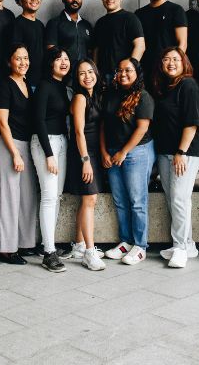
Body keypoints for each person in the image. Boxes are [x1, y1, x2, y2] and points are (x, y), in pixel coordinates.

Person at [152, 47, 199, 268]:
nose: (171, 63)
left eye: (175, 59)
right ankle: (187, 244)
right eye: (166, 59)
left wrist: (181, 152)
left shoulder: (189, 85)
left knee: (179, 199)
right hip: (166, 152)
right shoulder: (165, 87)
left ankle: (181, 247)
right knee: (174, 199)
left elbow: (192, 123)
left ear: (184, 63)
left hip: (185, 152)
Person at [101, 57, 155, 265]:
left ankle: (140, 246)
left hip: (136, 152)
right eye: (120, 70)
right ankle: (126, 241)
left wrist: (123, 152)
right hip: (113, 152)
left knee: (137, 201)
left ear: (137, 73)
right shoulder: (111, 94)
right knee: (120, 200)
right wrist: (104, 152)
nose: (123, 74)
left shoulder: (143, 96)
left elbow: (142, 128)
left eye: (128, 70)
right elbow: (103, 125)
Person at [0, 44, 38, 264]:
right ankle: (6, 249)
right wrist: (15, 154)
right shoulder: (4, 86)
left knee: (27, 196)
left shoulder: (27, 83)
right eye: (18, 58)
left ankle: (25, 243)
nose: (23, 62)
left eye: (26, 58)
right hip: (7, 146)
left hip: (26, 144)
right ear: (9, 61)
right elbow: (2, 123)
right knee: (8, 197)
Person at [30, 47, 72, 272]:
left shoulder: (63, 87)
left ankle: (49, 245)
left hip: (61, 142)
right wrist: (49, 154)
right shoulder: (44, 86)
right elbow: (38, 120)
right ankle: (48, 253)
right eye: (58, 59)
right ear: (50, 63)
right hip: (45, 143)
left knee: (56, 196)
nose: (63, 62)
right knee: (48, 197)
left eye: (66, 58)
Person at [65, 59, 106, 271]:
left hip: (93, 153)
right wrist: (85, 161)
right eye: (82, 73)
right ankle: (89, 252)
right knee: (90, 199)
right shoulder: (80, 97)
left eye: (90, 71)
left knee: (88, 199)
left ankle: (79, 245)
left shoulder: (94, 96)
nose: (87, 76)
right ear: (77, 78)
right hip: (83, 154)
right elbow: (78, 132)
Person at [136, 0, 188, 74]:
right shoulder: (139, 13)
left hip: (168, 68)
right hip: (146, 69)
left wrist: (174, 65)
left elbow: (182, 43)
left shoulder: (176, 10)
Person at [94, 0, 145, 81]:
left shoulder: (130, 18)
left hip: (123, 76)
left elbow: (140, 46)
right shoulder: (100, 22)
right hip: (103, 77)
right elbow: (96, 50)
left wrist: (128, 70)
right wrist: (95, 72)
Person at [45, 0, 94, 73]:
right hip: (64, 75)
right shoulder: (54, 23)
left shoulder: (86, 25)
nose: (75, 0)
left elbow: (91, 52)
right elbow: (51, 51)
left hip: (83, 75)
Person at [11, 0, 46, 88]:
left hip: (41, 79)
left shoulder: (40, 25)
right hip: (25, 80)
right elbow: (14, 53)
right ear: (20, 1)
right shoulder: (16, 24)